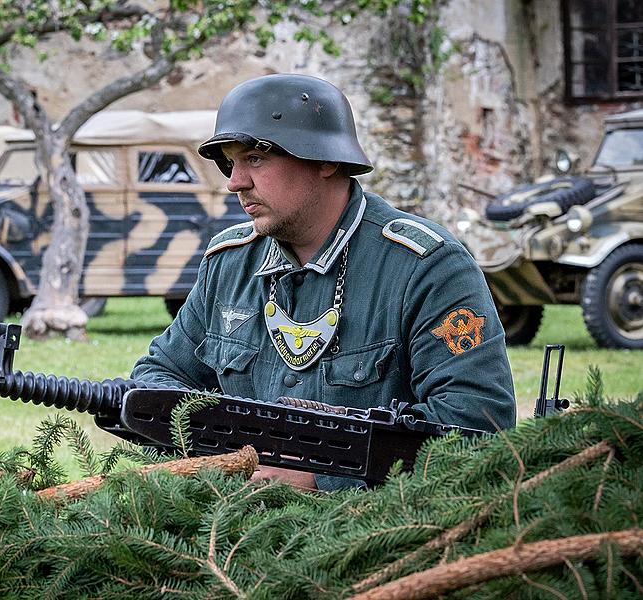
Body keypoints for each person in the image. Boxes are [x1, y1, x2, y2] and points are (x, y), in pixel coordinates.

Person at [131, 74, 516, 491]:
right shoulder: (230, 263)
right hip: (235, 525)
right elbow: (159, 376)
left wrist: (323, 476)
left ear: (325, 160)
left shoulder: (426, 267)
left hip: (379, 533)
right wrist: (226, 451)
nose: (235, 182)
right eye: (230, 163)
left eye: (255, 159)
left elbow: (475, 424)